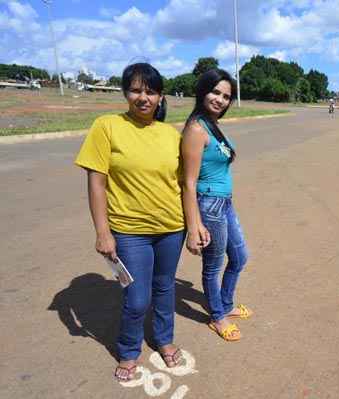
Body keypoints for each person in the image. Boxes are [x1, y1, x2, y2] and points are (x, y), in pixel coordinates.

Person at [75, 63, 186, 381]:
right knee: (137, 297)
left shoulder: (169, 134)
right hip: (129, 231)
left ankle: (164, 339)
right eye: (136, 90)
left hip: (171, 228)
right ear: (126, 92)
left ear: (160, 96)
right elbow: (96, 182)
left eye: (150, 91)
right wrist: (102, 232)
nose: (143, 97)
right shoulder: (107, 126)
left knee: (165, 287)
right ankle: (128, 351)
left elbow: (183, 183)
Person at [181, 69, 251, 342]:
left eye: (226, 96)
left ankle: (226, 303)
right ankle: (217, 317)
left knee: (240, 257)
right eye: (215, 92)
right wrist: (194, 224)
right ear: (203, 91)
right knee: (213, 265)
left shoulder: (211, 124)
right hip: (208, 204)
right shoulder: (196, 129)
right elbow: (188, 182)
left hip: (224, 203)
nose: (220, 99)